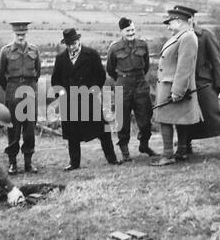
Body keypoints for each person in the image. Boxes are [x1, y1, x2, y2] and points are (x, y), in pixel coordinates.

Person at [173, 5, 220, 158]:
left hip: (203, 83)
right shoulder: (177, 37)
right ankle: (183, 148)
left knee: (213, 114)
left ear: (190, 19)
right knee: (183, 115)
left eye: (180, 19)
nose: (177, 22)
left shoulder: (205, 35)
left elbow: (217, 62)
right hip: (184, 84)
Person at [51, 28, 119, 171]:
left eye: (74, 43)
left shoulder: (91, 55)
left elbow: (100, 75)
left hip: (89, 99)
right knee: (72, 134)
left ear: (79, 40)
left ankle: (112, 158)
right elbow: (55, 80)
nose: (71, 47)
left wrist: (92, 91)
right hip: (69, 102)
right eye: (68, 44)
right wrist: (62, 96)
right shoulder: (60, 58)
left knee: (102, 130)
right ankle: (74, 163)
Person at [151, 9, 203, 166]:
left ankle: (168, 155)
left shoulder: (187, 37)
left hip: (174, 87)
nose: (168, 26)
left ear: (179, 21)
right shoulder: (180, 36)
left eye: (170, 22)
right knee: (177, 119)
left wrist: (177, 91)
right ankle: (181, 152)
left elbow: (184, 67)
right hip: (168, 85)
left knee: (166, 120)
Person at [107, 17, 157, 162]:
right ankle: (125, 151)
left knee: (146, 118)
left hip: (141, 85)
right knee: (122, 120)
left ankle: (144, 145)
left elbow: (146, 65)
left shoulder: (143, 45)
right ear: (121, 32)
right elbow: (110, 69)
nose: (131, 32)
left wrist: (138, 78)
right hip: (123, 84)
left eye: (133, 30)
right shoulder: (114, 48)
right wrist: (122, 79)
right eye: (128, 30)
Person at [0, 21, 41, 174]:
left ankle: (28, 163)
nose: (21, 37)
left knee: (29, 129)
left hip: (29, 90)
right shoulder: (5, 51)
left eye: (23, 34)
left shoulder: (34, 50)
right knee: (13, 129)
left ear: (26, 34)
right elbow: (0, 75)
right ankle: (13, 163)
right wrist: (10, 88)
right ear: (13, 34)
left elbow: (37, 72)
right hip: (13, 91)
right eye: (18, 35)